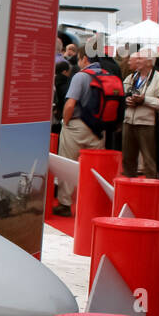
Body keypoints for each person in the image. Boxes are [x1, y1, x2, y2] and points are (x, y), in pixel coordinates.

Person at [52, 46, 107, 215]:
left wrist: (66, 122)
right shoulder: (107, 75)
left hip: (77, 126)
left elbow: (70, 104)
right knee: (94, 169)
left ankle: (65, 203)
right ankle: (92, 204)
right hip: (100, 129)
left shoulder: (81, 76)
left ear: (84, 58)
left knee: (68, 163)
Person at [119, 50, 159, 178]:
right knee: (127, 158)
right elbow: (123, 95)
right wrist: (127, 100)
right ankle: (128, 187)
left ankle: (150, 188)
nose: (137, 61)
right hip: (128, 121)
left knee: (149, 159)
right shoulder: (131, 77)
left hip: (147, 123)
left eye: (140, 59)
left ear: (150, 62)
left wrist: (144, 100)